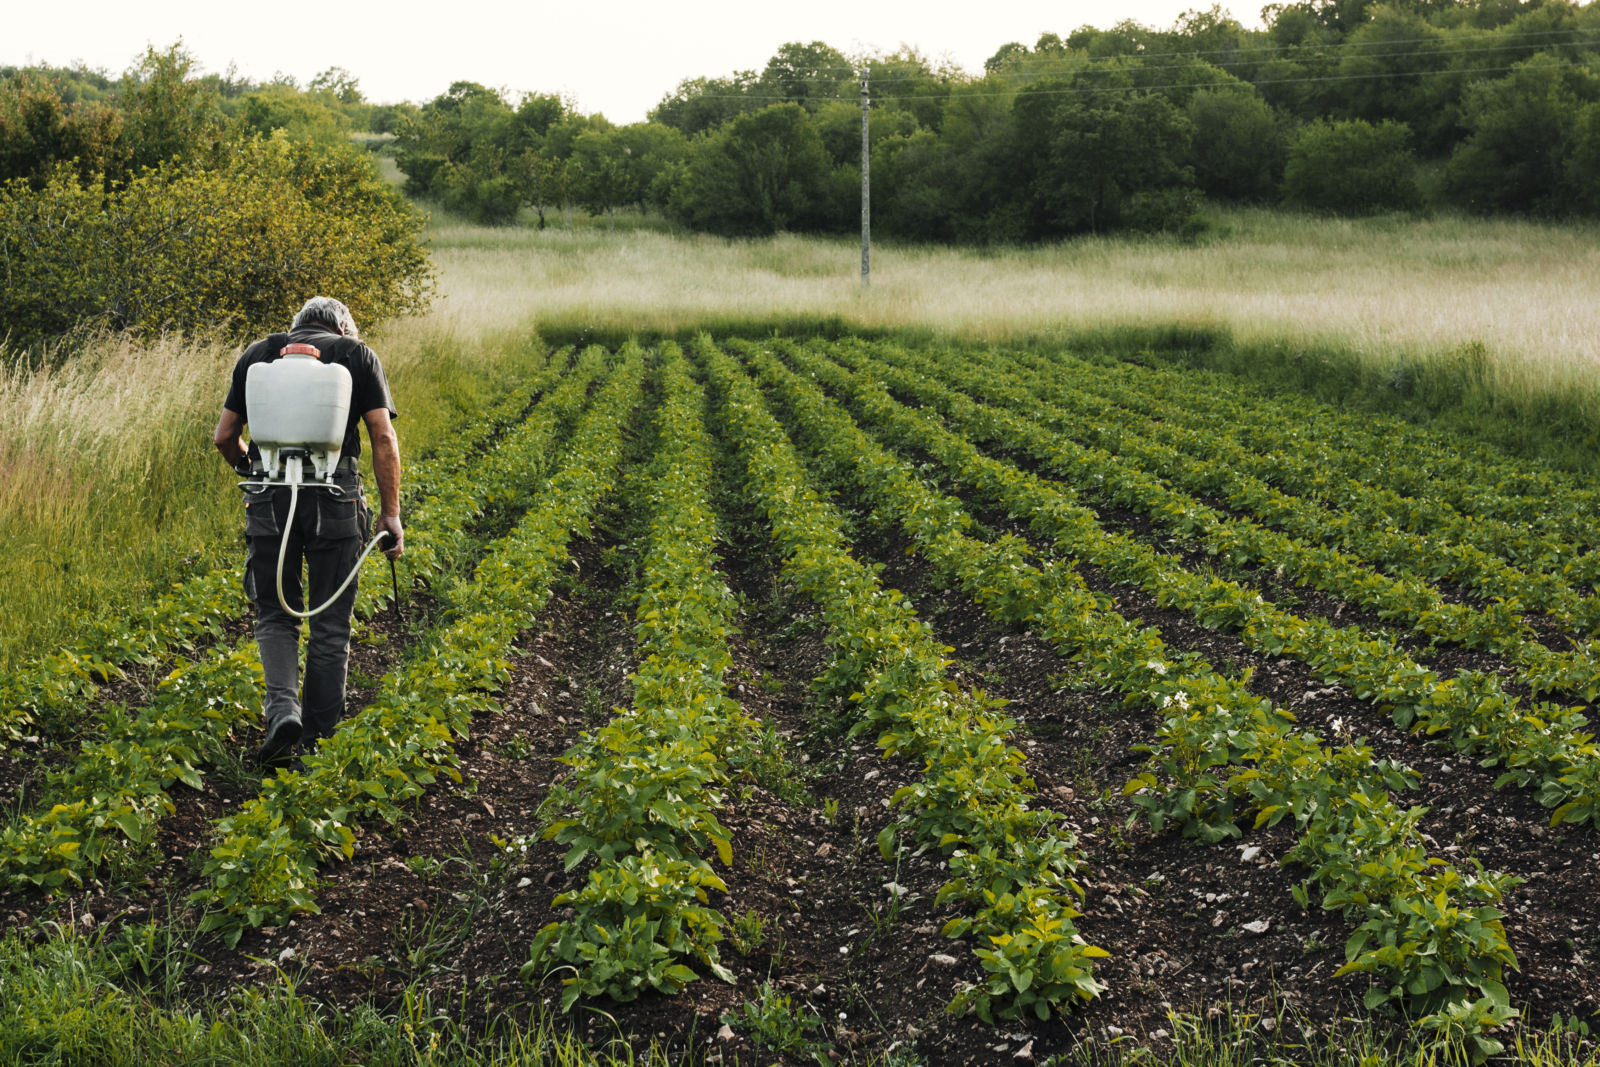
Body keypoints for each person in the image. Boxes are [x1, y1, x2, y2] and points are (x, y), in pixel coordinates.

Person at [212, 296, 404, 768]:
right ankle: (317, 745)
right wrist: (390, 514)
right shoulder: (357, 355)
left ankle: (282, 713)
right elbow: (382, 436)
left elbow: (223, 436)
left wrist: (252, 469)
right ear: (342, 325)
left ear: (298, 326)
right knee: (330, 625)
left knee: (276, 615)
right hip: (335, 499)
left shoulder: (258, 355)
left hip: (269, 498)